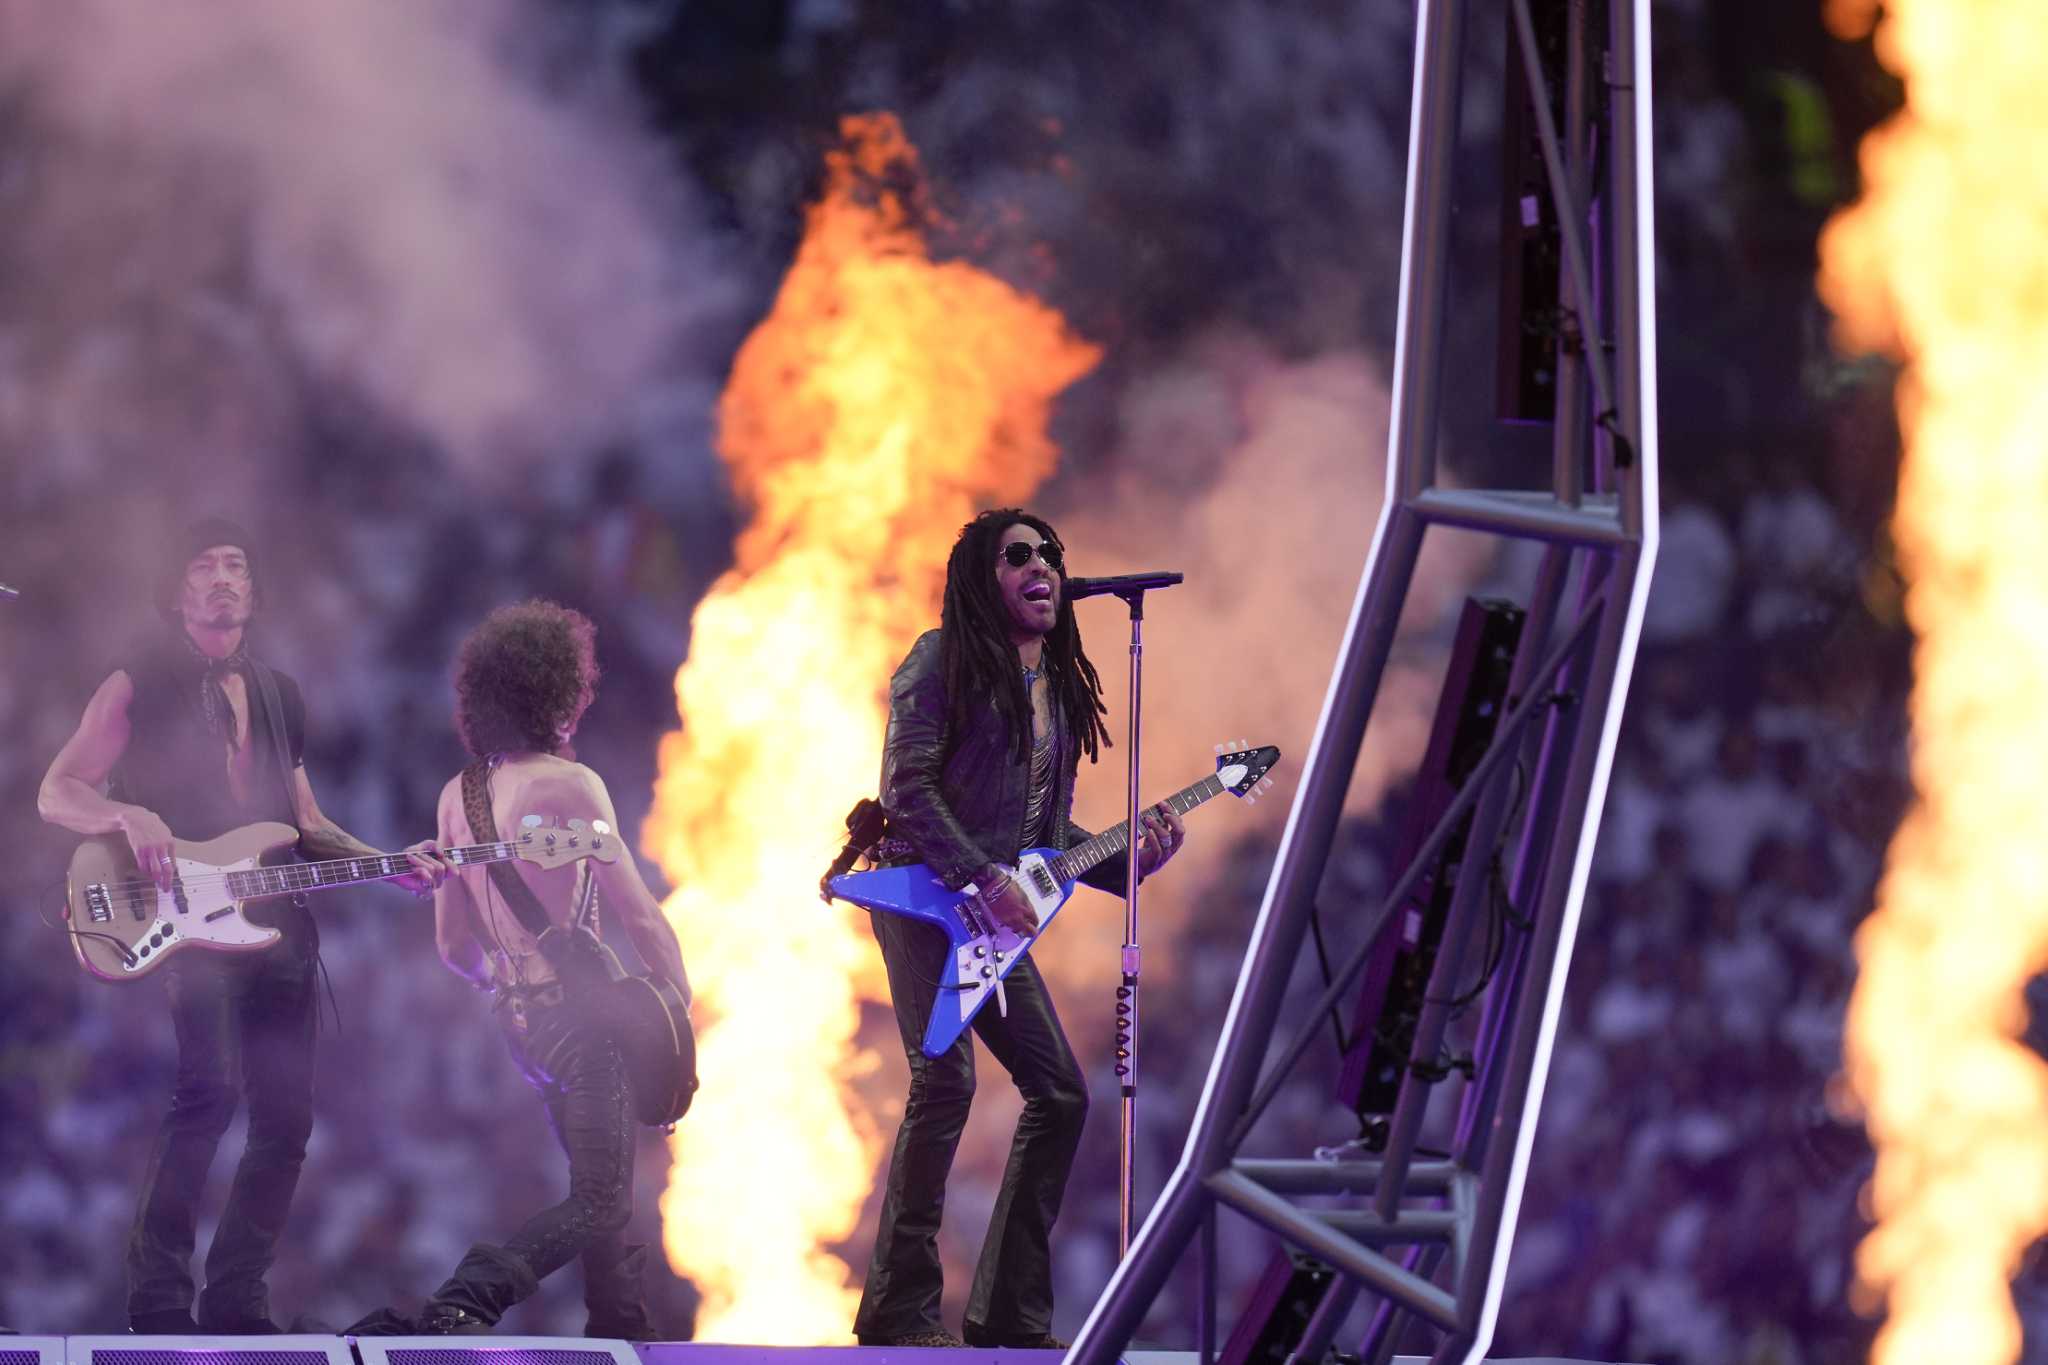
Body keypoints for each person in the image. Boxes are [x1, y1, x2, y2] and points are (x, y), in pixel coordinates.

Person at [37, 517, 449, 1335]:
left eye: (236, 565)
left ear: (253, 592)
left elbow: (302, 820)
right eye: (205, 565)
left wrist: (387, 860)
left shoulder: (278, 692)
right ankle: (157, 1302)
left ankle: (235, 1300)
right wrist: (127, 813)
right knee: (208, 1095)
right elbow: (57, 791)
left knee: (288, 1120)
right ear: (179, 589)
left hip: (280, 927)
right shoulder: (140, 681)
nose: (224, 576)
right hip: (191, 916)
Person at [854, 509, 1187, 1350]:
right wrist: (978, 874)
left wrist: (1132, 858)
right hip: (928, 894)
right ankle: (897, 1310)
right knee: (947, 1084)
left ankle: (1006, 1315)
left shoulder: (1059, 693)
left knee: (1063, 1092)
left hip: (989, 909)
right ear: (981, 578)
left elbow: (1049, 836)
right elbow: (908, 789)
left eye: (1050, 554)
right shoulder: (943, 659)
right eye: (1020, 555)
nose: (1043, 566)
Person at [368, 599, 690, 1336]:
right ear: (560, 696)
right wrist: (677, 1014)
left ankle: (621, 1328)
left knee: (597, 1182)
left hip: (523, 1027)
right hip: (584, 1024)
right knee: (604, 1197)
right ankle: (469, 1295)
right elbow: (640, 915)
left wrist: (511, 985)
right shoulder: (572, 786)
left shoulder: (459, 796)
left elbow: (455, 950)